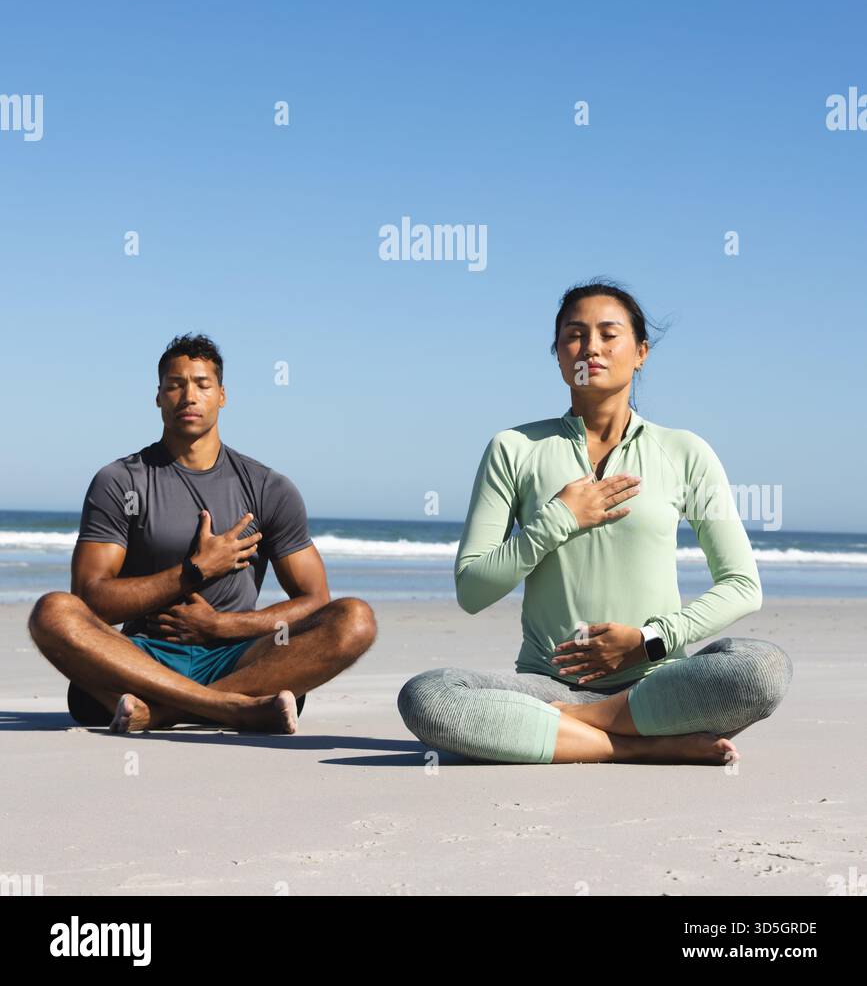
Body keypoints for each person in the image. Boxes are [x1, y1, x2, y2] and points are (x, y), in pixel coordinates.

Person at [398, 281, 793, 765]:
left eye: (609, 334)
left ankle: (574, 729)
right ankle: (636, 746)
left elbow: (742, 585)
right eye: (574, 335)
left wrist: (651, 641)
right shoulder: (514, 448)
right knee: (427, 695)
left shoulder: (685, 452)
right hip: (546, 685)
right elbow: (472, 590)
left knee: (764, 668)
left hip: (654, 685)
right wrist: (557, 518)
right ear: (559, 354)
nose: (591, 348)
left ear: (641, 352)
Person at [28, 333, 376, 733]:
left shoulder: (268, 487)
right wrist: (194, 571)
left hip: (239, 658)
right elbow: (91, 600)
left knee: (356, 619)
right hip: (143, 658)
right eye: (175, 385)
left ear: (222, 396)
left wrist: (225, 627)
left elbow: (315, 600)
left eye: (202, 385)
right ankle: (229, 707)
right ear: (158, 397)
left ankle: (163, 713)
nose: (188, 396)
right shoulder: (120, 481)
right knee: (51, 612)